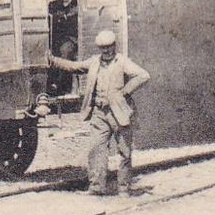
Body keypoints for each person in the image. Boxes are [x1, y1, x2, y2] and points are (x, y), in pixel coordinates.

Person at [48, 29, 150, 196]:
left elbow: (143, 75)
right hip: (99, 113)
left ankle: (124, 188)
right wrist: (53, 60)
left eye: (109, 47)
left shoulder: (122, 61)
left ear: (114, 46)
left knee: (124, 152)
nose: (106, 51)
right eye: (103, 48)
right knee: (96, 149)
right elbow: (75, 66)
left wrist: (125, 91)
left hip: (119, 113)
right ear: (99, 48)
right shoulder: (94, 62)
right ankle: (96, 187)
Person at [46, 0, 80, 94]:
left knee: (65, 50)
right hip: (56, 39)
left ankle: (57, 84)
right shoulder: (53, 5)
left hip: (73, 39)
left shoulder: (79, 3)